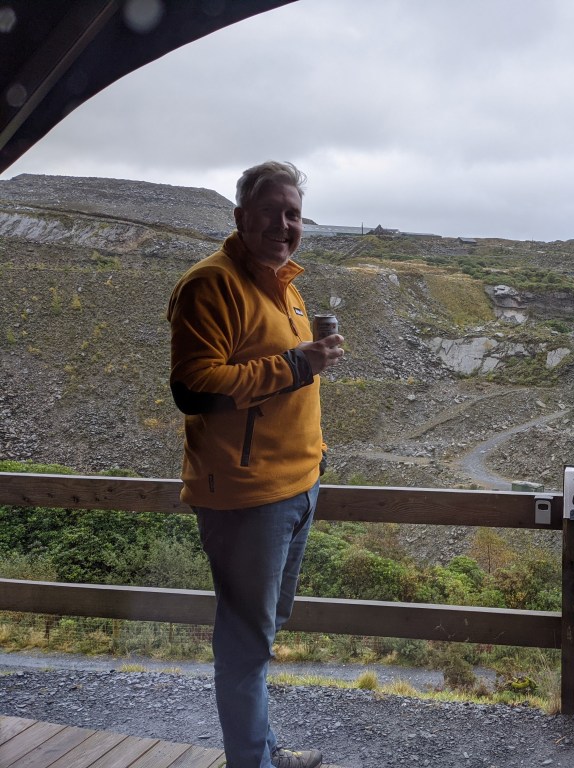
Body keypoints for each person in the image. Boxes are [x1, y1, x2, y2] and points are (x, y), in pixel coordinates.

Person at [167, 161, 344, 768]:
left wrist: (315, 452)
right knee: (246, 644)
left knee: (263, 631)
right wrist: (297, 364)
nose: (283, 224)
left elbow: (281, 384)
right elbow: (194, 387)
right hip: (247, 497)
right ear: (241, 216)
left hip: (297, 488)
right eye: (270, 211)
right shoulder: (210, 285)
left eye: (293, 214)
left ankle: (263, 750)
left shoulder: (284, 283)